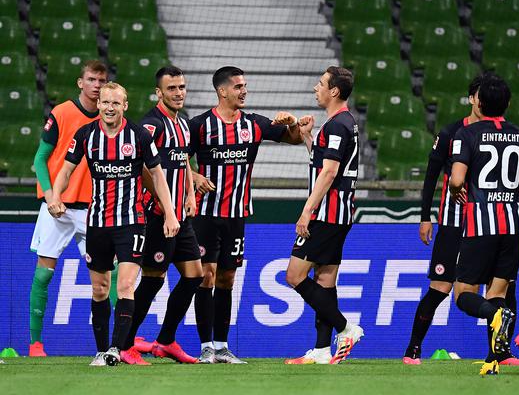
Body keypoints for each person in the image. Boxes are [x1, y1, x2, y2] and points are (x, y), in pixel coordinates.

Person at [48, 82, 180, 366]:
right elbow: (66, 170)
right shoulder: (85, 135)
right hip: (97, 223)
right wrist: (55, 196)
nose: (110, 107)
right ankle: (100, 349)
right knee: (99, 289)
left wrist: (170, 214)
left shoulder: (139, 136)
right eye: (105, 102)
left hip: (131, 222)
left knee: (126, 286)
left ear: (125, 106)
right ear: (99, 105)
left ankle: (116, 350)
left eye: (116, 103)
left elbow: (157, 176)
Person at [401, 74, 519, 366]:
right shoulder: (452, 132)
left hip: (491, 222)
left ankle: (500, 353)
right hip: (455, 222)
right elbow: (432, 175)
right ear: (472, 99)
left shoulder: (503, 134)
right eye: (478, 96)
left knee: (505, 288)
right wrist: (425, 216)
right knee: (440, 287)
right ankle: (413, 349)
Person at [189, 66, 303, 364]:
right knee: (206, 277)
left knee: (226, 278)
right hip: (205, 214)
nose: (244, 91)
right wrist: (194, 176)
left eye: (245, 85)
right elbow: (172, 158)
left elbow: (293, 138)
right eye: (238, 86)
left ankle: (222, 346)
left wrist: (292, 123)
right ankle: (205, 348)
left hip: (236, 215)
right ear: (222, 91)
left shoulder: (254, 124)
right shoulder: (199, 125)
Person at [449, 73, 519, 375]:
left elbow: (458, 179)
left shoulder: (468, 134)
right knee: (498, 292)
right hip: (512, 223)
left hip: (480, 223)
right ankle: (493, 359)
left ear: (479, 102)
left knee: (463, 294)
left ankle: (494, 319)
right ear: (508, 103)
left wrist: (455, 188)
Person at [113, 66, 203, 365]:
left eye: (182, 87)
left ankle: (165, 340)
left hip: (181, 216)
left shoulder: (184, 124)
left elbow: (184, 163)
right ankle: (125, 345)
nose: (178, 93)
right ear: (158, 92)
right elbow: (145, 169)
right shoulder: (152, 125)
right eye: (172, 88)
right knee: (152, 280)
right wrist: (167, 211)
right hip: (157, 216)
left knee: (195, 276)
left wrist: (190, 195)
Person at [283, 66, 364, 365]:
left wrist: (306, 212)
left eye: (320, 84)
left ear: (334, 91)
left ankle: (347, 328)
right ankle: (320, 349)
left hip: (327, 214)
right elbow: (326, 164)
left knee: (294, 276)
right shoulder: (343, 123)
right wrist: (307, 138)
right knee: (326, 280)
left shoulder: (337, 126)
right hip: (340, 213)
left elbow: (329, 173)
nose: (315, 88)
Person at [29, 60, 108, 357]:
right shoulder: (62, 113)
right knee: (44, 275)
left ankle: (117, 344)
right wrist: (51, 196)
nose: (97, 85)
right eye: (91, 79)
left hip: (93, 209)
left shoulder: (110, 117)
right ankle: (35, 344)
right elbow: (39, 159)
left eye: (102, 80)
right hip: (57, 208)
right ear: (80, 82)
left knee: (105, 277)